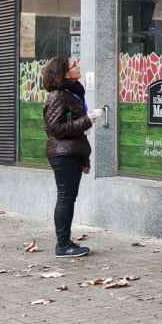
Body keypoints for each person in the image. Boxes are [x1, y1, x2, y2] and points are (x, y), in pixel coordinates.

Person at [42, 57, 103, 258]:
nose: (79, 67)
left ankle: (66, 241)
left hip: (71, 153)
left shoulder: (73, 93)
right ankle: (62, 245)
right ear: (65, 73)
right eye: (74, 66)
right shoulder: (58, 96)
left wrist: (84, 160)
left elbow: (74, 131)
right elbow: (55, 129)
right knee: (65, 198)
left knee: (68, 198)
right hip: (63, 154)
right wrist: (88, 120)